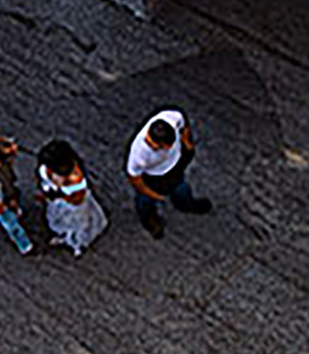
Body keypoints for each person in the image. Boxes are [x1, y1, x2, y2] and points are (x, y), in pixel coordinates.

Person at [126, 107, 212, 239]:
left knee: (182, 189)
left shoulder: (172, 117)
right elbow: (135, 179)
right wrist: (153, 194)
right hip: (152, 178)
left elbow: (183, 123)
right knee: (145, 201)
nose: (167, 149)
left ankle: (186, 205)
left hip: (175, 168)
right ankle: (150, 220)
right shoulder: (139, 155)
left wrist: (186, 142)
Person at [36, 139, 107, 253]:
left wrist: (57, 196)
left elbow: (77, 200)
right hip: (57, 203)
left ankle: (76, 243)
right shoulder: (47, 169)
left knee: (76, 225)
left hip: (72, 208)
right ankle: (64, 235)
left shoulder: (75, 180)